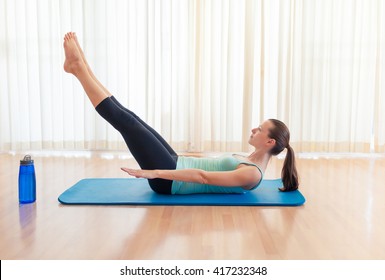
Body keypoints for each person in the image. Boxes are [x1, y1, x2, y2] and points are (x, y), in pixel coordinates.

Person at [63, 32, 299, 195]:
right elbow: (205, 167)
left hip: (170, 183)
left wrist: (154, 172)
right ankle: (80, 66)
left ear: (269, 141)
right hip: (176, 162)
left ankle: (79, 69)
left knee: (126, 123)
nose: (253, 129)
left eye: (259, 129)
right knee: (131, 118)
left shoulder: (252, 175)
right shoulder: (248, 160)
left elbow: (203, 177)